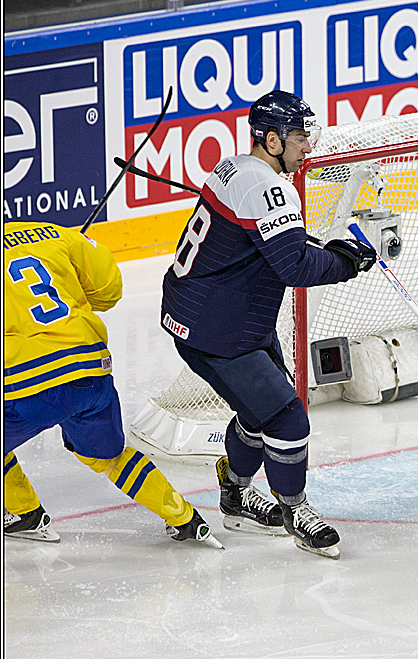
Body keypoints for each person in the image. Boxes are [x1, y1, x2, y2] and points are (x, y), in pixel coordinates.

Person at [159, 90, 377, 559]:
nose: (307, 147)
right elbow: (294, 266)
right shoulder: (269, 188)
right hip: (217, 329)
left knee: (260, 411)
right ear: (271, 140)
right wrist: (348, 262)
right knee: (285, 416)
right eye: (299, 137)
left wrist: (312, 244)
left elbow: (259, 241)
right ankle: (295, 509)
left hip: (219, 313)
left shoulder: (233, 167)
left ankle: (236, 494)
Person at [4, 221, 219, 548]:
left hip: (27, 380)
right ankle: (186, 519)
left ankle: (25, 513)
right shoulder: (52, 232)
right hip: (90, 368)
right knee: (110, 457)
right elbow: (109, 291)